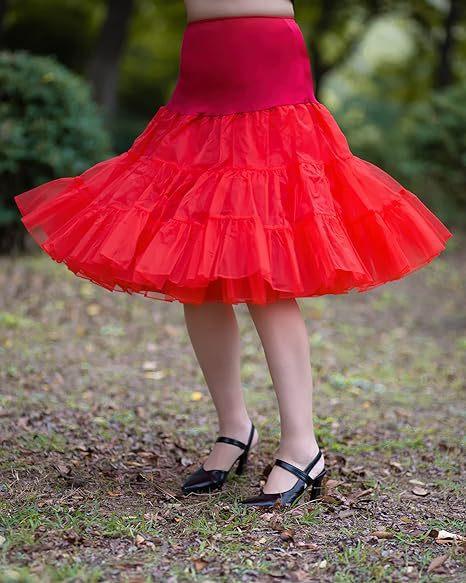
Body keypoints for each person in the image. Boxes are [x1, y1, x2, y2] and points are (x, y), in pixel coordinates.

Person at [13, 0, 452, 507]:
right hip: (203, 65)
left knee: (267, 268)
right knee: (195, 270)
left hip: (264, 60)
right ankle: (234, 427)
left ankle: (302, 445)